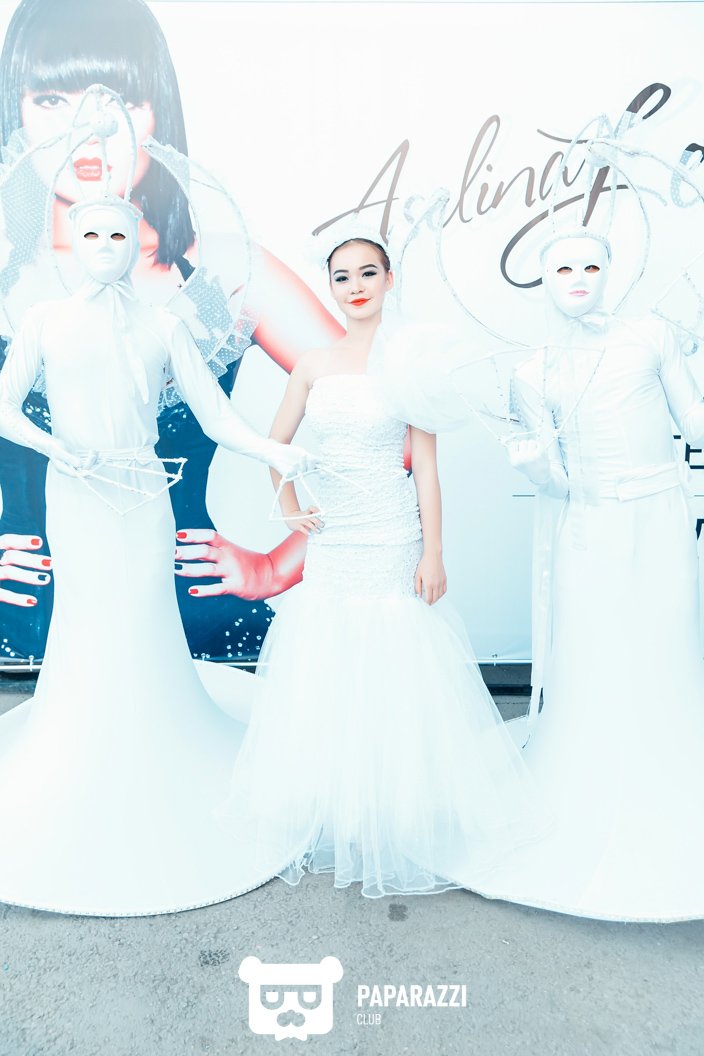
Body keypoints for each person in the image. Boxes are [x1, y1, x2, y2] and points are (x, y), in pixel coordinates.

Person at [0, 194, 315, 916]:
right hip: (75, 495)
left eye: (117, 233)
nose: (104, 245)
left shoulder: (163, 324)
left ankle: (154, 742)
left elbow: (215, 414)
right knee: (86, 618)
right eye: (90, 233)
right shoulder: (45, 321)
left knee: (141, 615)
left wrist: (270, 449)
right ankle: (81, 749)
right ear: (71, 241)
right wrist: (55, 446)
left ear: (134, 239)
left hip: (143, 492)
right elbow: (3, 407)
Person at [0, 0, 342, 662]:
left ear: (160, 110)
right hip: (19, 651)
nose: (88, 128)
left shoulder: (223, 276)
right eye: (52, 99)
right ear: (14, 108)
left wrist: (277, 566)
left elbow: (393, 438)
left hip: (193, 634)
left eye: (121, 98)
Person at [215, 231, 548, 899]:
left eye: (368, 272)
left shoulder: (410, 367)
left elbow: (426, 469)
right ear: (330, 287)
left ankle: (398, 809)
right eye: (342, 276)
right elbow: (275, 445)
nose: (355, 286)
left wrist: (434, 552)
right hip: (335, 536)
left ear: (389, 279)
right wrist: (290, 507)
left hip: (392, 532)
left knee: (396, 659)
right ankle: (339, 806)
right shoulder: (312, 365)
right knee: (330, 657)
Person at [468, 231, 704, 921]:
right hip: (588, 526)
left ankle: (672, 773)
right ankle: (593, 777)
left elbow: (693, 422)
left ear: (611, 272)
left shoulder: (651, 336)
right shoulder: (533, 371)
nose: (578, 277)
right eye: (562, 267)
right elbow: (557, 479)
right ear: (542, 280)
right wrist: (534, 464)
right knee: (596, 650)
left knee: (664, 640)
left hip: (658, 518)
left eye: (591, 264)